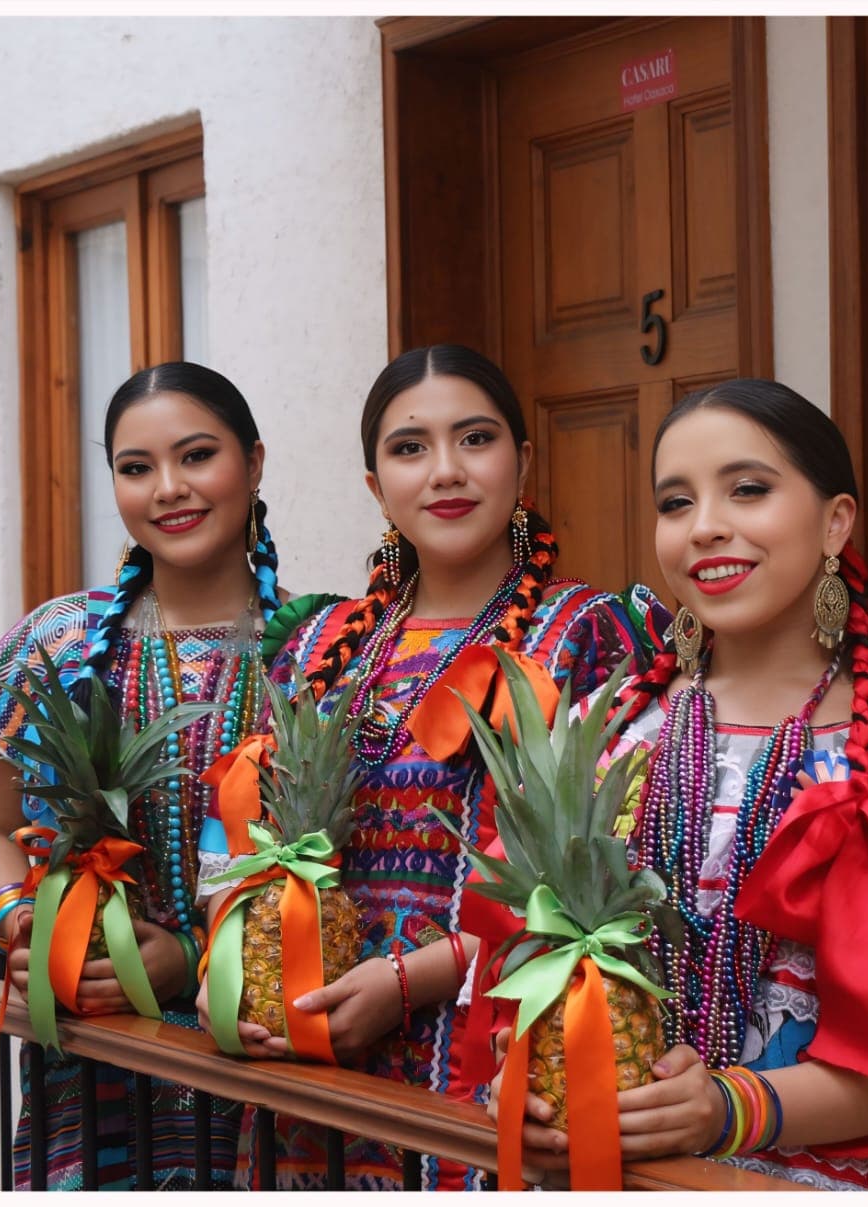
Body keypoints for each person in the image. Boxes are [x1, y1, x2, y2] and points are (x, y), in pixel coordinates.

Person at [497, 378, 868, 1191]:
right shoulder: (607, 732)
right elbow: (536, 959)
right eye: (675, 502)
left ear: (836, 520)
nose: (704, 526)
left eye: (748, 489)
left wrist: (732, 1108)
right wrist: (535, 1059)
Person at [197, 344, 664, 1191]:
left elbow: (611, 874)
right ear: (376, 485)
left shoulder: (584, 632)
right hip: (313, 1065)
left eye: (475, 439)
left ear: (523, 462)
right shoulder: (318, 645)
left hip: (491, 1060)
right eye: (409, 448)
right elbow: (242, 835)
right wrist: (227, 966)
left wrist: (409, 979)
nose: (444, 471)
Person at [0, 362, 284, 1190]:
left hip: (261, 1065)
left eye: (197, 455)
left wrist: (185, 956)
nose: (168, 488)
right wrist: (23, 927)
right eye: (135, 468)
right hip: (91, 1065)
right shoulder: (57, 640)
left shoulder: (320, 648)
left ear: (253, 461)